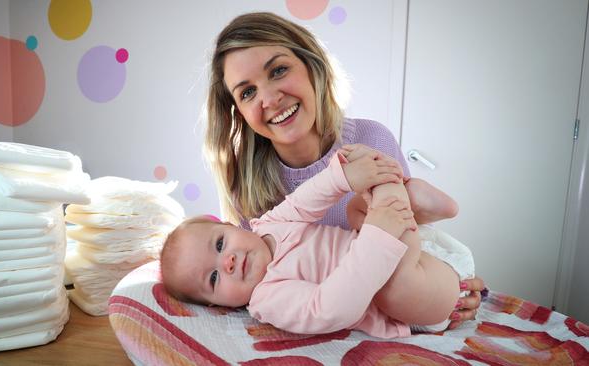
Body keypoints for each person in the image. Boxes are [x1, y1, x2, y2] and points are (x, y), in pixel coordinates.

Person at [202, 11, 483, 327]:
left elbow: (414, 239)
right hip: (357, 301)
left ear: (312, 67)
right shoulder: (246, 184)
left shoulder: (371, 141)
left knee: (365, 211)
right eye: (247, 92)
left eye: (279, 70)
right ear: (238, 112)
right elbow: (249, 285)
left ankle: (413, 197)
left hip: (403, 266)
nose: (269, 98)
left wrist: (452, 289)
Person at [160, 145, 474, 337]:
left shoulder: (268, 223)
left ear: (232, 226)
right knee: (391, 289)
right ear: (218, 305)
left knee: (355, 208)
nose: (226, 262)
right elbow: (328, 309)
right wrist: (377, 238)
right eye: (213, 277)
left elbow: (307, 199)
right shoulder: (267, 299)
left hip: (414, 249)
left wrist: (345, 177)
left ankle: (412, 202)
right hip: (413, 300)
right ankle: (402, 196)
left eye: (219, 245)